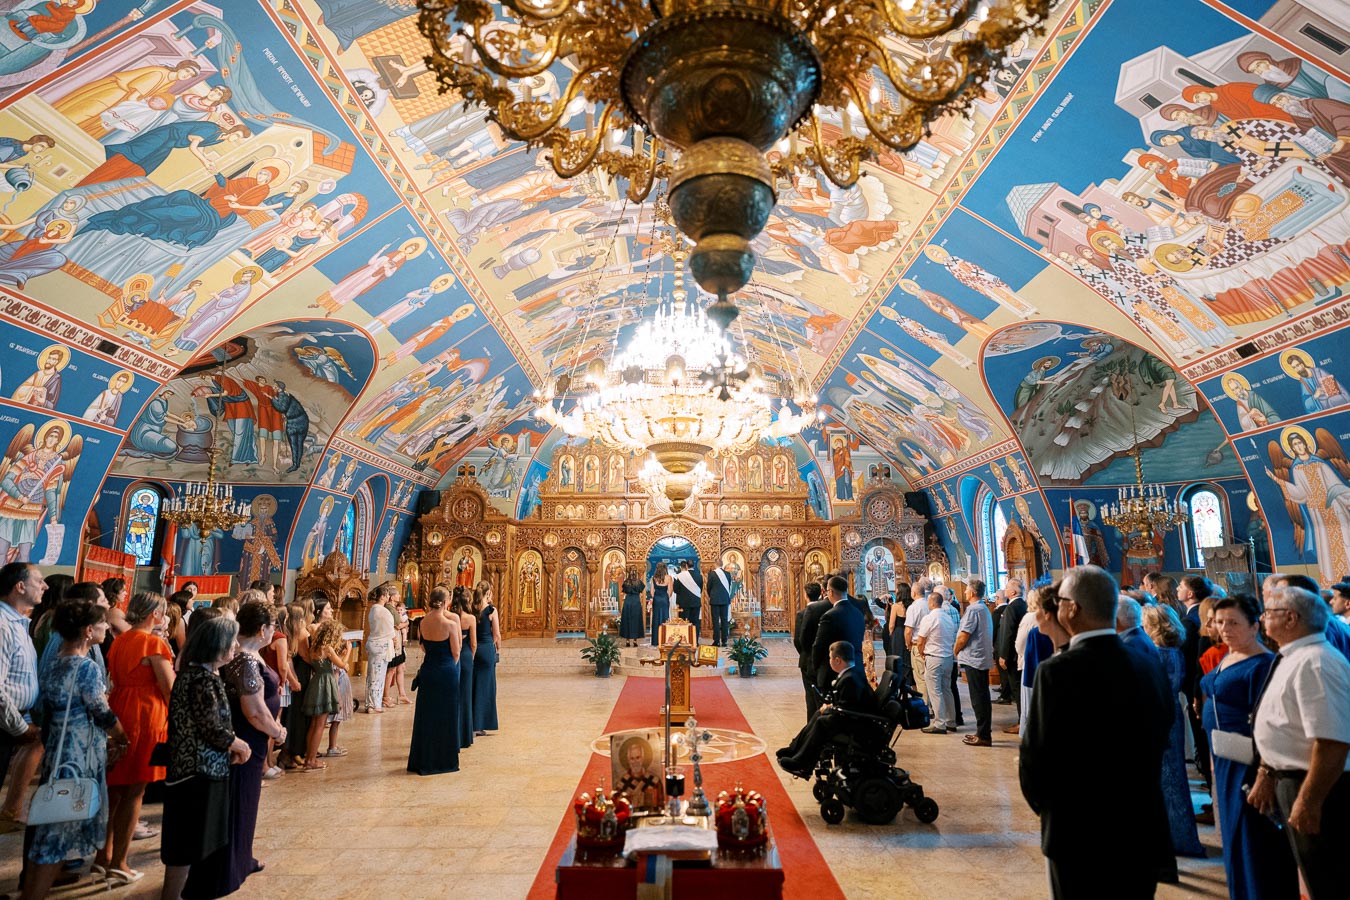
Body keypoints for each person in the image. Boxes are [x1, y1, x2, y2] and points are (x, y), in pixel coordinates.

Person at [1020, 565, 1174, 899]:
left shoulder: (1057, 671)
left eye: (1059, 602)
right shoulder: (1147, 662)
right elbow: (1164, 731)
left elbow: (1035, 760)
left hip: (1079, 832)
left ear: (1071, 608)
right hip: (1141, 825)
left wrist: (1054, 812)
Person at [1248, 585, 1350, 897]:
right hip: (1293, 779)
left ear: (1291, 618)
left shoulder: (1317, 662)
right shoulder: (1295, 656)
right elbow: (1285, 723)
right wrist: (1267, 771)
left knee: (1328, 879)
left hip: (1318, 786)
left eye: (1268, 613)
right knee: (1314, 874)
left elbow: (1332, 740)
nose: (1263, 619)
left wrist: (1308, 800)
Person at [24, 601, 127, 898]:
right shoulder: (86, 668)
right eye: (102, 624)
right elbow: (101, 711)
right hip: (78, 754)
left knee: (49, 827)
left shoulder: (53, 662)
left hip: (56, 749)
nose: (107, 628)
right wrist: (122, 737)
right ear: (87, 631)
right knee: (55, 836)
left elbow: (42, 708)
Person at [1199, 594, 1299, 900]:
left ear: (1255, 625)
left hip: (1253, 763)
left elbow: (1272, 724)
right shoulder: (1227, 656)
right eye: (1220, 622)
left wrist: (1264, 774)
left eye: (1233, 623)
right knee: (1233, 837)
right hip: (1226, 758)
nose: (1225, 628)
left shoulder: (1263, 665)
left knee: (1255, 839)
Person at [184, 602, 284, 898]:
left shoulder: (244, 655)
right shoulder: (244, 660)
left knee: (247, 802)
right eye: (272, 626)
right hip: (245, 738)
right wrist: (278, 732)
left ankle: (242, 859)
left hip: (250, 738)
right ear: (263, 629)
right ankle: (227, 868)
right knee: (238, 801)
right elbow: (253, 709)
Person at [160, 616, 251, 900]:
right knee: (188, 840)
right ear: (216, 646)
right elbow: (210, 726)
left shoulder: (203, 675)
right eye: (231, 641)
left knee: (196, 838)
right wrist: (238, 745)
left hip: (204, 766)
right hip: (196, 770)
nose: (236, 646)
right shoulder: (200, 680)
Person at [96, 592, 172, 884]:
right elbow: (168, 687)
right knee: (135, 792)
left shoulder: (120, 641)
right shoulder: (153, 643)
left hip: (120, 710)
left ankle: (103, 856)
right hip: (146, 715)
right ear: (154, 614)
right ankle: (120, 862)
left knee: (114, 790)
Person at [1140, 603, 1205, 859]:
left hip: (1160, 715)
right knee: (1172, 778)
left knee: (1167, 779)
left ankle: (1175, 837)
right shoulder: (1173, 649)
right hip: (1170, 713)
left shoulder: (1158, 653)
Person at [777, 641, 878, 777]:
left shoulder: (850, 679)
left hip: (857, 724)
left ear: (838, 660)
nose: (829, 661)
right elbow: (847, 703)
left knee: (822, 722)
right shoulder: (851, 673)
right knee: (819, 714)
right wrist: (830, 707)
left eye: (830, 658)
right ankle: (794, 750)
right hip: (852, 716)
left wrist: (830, 709)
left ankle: (802, 763)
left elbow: (847, 708)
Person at [407, 587, 462, 775]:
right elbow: (456, 652)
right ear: (446, 602)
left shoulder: (422, 622)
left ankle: (423, 758)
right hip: (446, 672)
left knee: (427, 716)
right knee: (446, 715)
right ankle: (443, 760)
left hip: (428, 671)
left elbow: (423, 647)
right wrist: (448, 665)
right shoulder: (451, 625)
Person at [0, 563, 42, 797]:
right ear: (20, 586)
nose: (45, 586)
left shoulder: (18, 623)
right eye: (39, 581)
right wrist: (19, 726)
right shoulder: (3, 625)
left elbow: (19, 680)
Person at [812, 576, 865, 698]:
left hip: (834, 672)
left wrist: (817, 669)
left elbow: (819, 645)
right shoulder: (857, 612)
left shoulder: (829, 616)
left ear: (830, 592)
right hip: (856, 667)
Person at [300, 619, 343, 770]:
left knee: (313, 724)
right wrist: (348, 650)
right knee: (320, 724)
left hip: (315, 682)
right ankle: (311, 761)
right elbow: (342, 665)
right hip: (326, 683)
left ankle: (308, 758)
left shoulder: (313, 648)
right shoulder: (328, 649)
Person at [957, 579, 994, 746]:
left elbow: (964, 635)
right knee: (982, 697)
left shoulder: (973, 610)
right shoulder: (983, 608)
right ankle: (982, 731)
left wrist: (956, 649)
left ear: (972, 593)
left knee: (979, 698)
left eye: (966, 591)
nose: (965, 593)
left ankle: (984, 735)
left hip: (974, 659)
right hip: (980, 657)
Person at [916, 592, 958, 734]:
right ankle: (951, 721)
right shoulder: (947, 617)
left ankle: (940, 724)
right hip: (948, 658)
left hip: (934, 657)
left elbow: (921, 639)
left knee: (935, 691)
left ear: (932, 603)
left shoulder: (930, 618)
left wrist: (921, 652)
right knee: (947, 690)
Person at [794, 582, 830, 719]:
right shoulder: (827, 609)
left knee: (810, 696)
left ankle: (812, 726)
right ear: (821, 593)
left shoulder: (803, 613)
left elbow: (798, 640)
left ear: (805, 595)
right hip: (824, 659)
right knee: (823, 694)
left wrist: (805, 653)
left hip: (808, 660)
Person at [363, 582, 397, 713]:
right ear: (382, 596)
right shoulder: (383, 611)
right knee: (378, 676)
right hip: (381, 645)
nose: (388, 597)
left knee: (372, 676)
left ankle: (371, 703)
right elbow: (390, 629)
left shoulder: (372, 609)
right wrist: (395, 641)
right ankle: (374, 705)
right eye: (387, 595)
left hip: (373, 643)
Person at [996, 577, 1027, 719]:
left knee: (1017, 689)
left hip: (1012, 655)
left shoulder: (1011, 608)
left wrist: (1003, 655)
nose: (1005, 590)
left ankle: (1022, 721)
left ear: (1013, 592)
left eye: (1007, 587)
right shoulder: (1023, 605)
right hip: (1020, 653)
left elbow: (1007, 634)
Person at [472, 581, 499, 736]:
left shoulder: (471, 608)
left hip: (473, 650)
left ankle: (471, 723)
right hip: (487, 649)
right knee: (486, 687)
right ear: (488, 593)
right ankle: (480, 724)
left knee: (473, 686)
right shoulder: (491, 610)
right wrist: (497, 647)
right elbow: (496, 634)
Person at [451, 586, 476, 750]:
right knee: (465, 695)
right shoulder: (470, 618)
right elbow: (473, 643)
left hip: (452, 656)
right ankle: (464, 736)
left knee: (453, 695)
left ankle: (452, 732)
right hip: (466, 655)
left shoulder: (451, 618)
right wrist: (471, 657)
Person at [383, 598, 411, 706]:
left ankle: (402, 695)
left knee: (401, 668)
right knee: (391, 671)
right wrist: (406, 623)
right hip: (395, 643)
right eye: (397, 594)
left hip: (400, 644)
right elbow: (398, 625)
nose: (399, 595)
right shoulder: (390, 610)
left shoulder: (396, 610)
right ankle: (385, 697)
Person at [887, 582, 910, 685]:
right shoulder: (912, 604)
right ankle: (908, 680)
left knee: (897, 656)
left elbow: (891, 624)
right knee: (907, 657)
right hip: (909, 631)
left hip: (899, 632)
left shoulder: (896, 606)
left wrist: (891, 634)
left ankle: (898, 681)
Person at [672, 560, 703, 636]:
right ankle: (695, 640)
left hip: (683, 603)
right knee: (695, 622)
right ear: (694, 566)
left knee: (683, 622)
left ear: (686, 566)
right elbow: (701, 589)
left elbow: (675, 590)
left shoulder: (679, 576)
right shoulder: (699, 576)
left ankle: (684, 640)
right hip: (696, 602)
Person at [707, 560, 733, 647]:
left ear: (715, 564)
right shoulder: (728, 574)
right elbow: (729, 586)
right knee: (724, 620)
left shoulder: (712, 574)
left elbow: (708, 587)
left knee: (715, 621)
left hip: (715, 600)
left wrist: (711, 595)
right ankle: (724, 641)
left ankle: (716, 641)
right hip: (725, 599)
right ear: (722, 565)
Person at [619, 568, 645, 648]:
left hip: (628, 601)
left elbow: (623, 591)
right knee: (636, 620)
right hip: (636, 601)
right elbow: (641, 592)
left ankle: (627, 641)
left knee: (627, 620)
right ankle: (635, 641)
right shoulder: (639, 582)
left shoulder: (626, 582)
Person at [649, 563, 672, 647]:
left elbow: (651, 592)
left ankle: (655, 641)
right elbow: (670, 591)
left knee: (656, 618)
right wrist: (666, 597)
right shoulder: (669, 578)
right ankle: (664, 640)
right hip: (664, 599)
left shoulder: (653, 578)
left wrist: (656, 597)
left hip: (657, 599)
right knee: (665, 617)